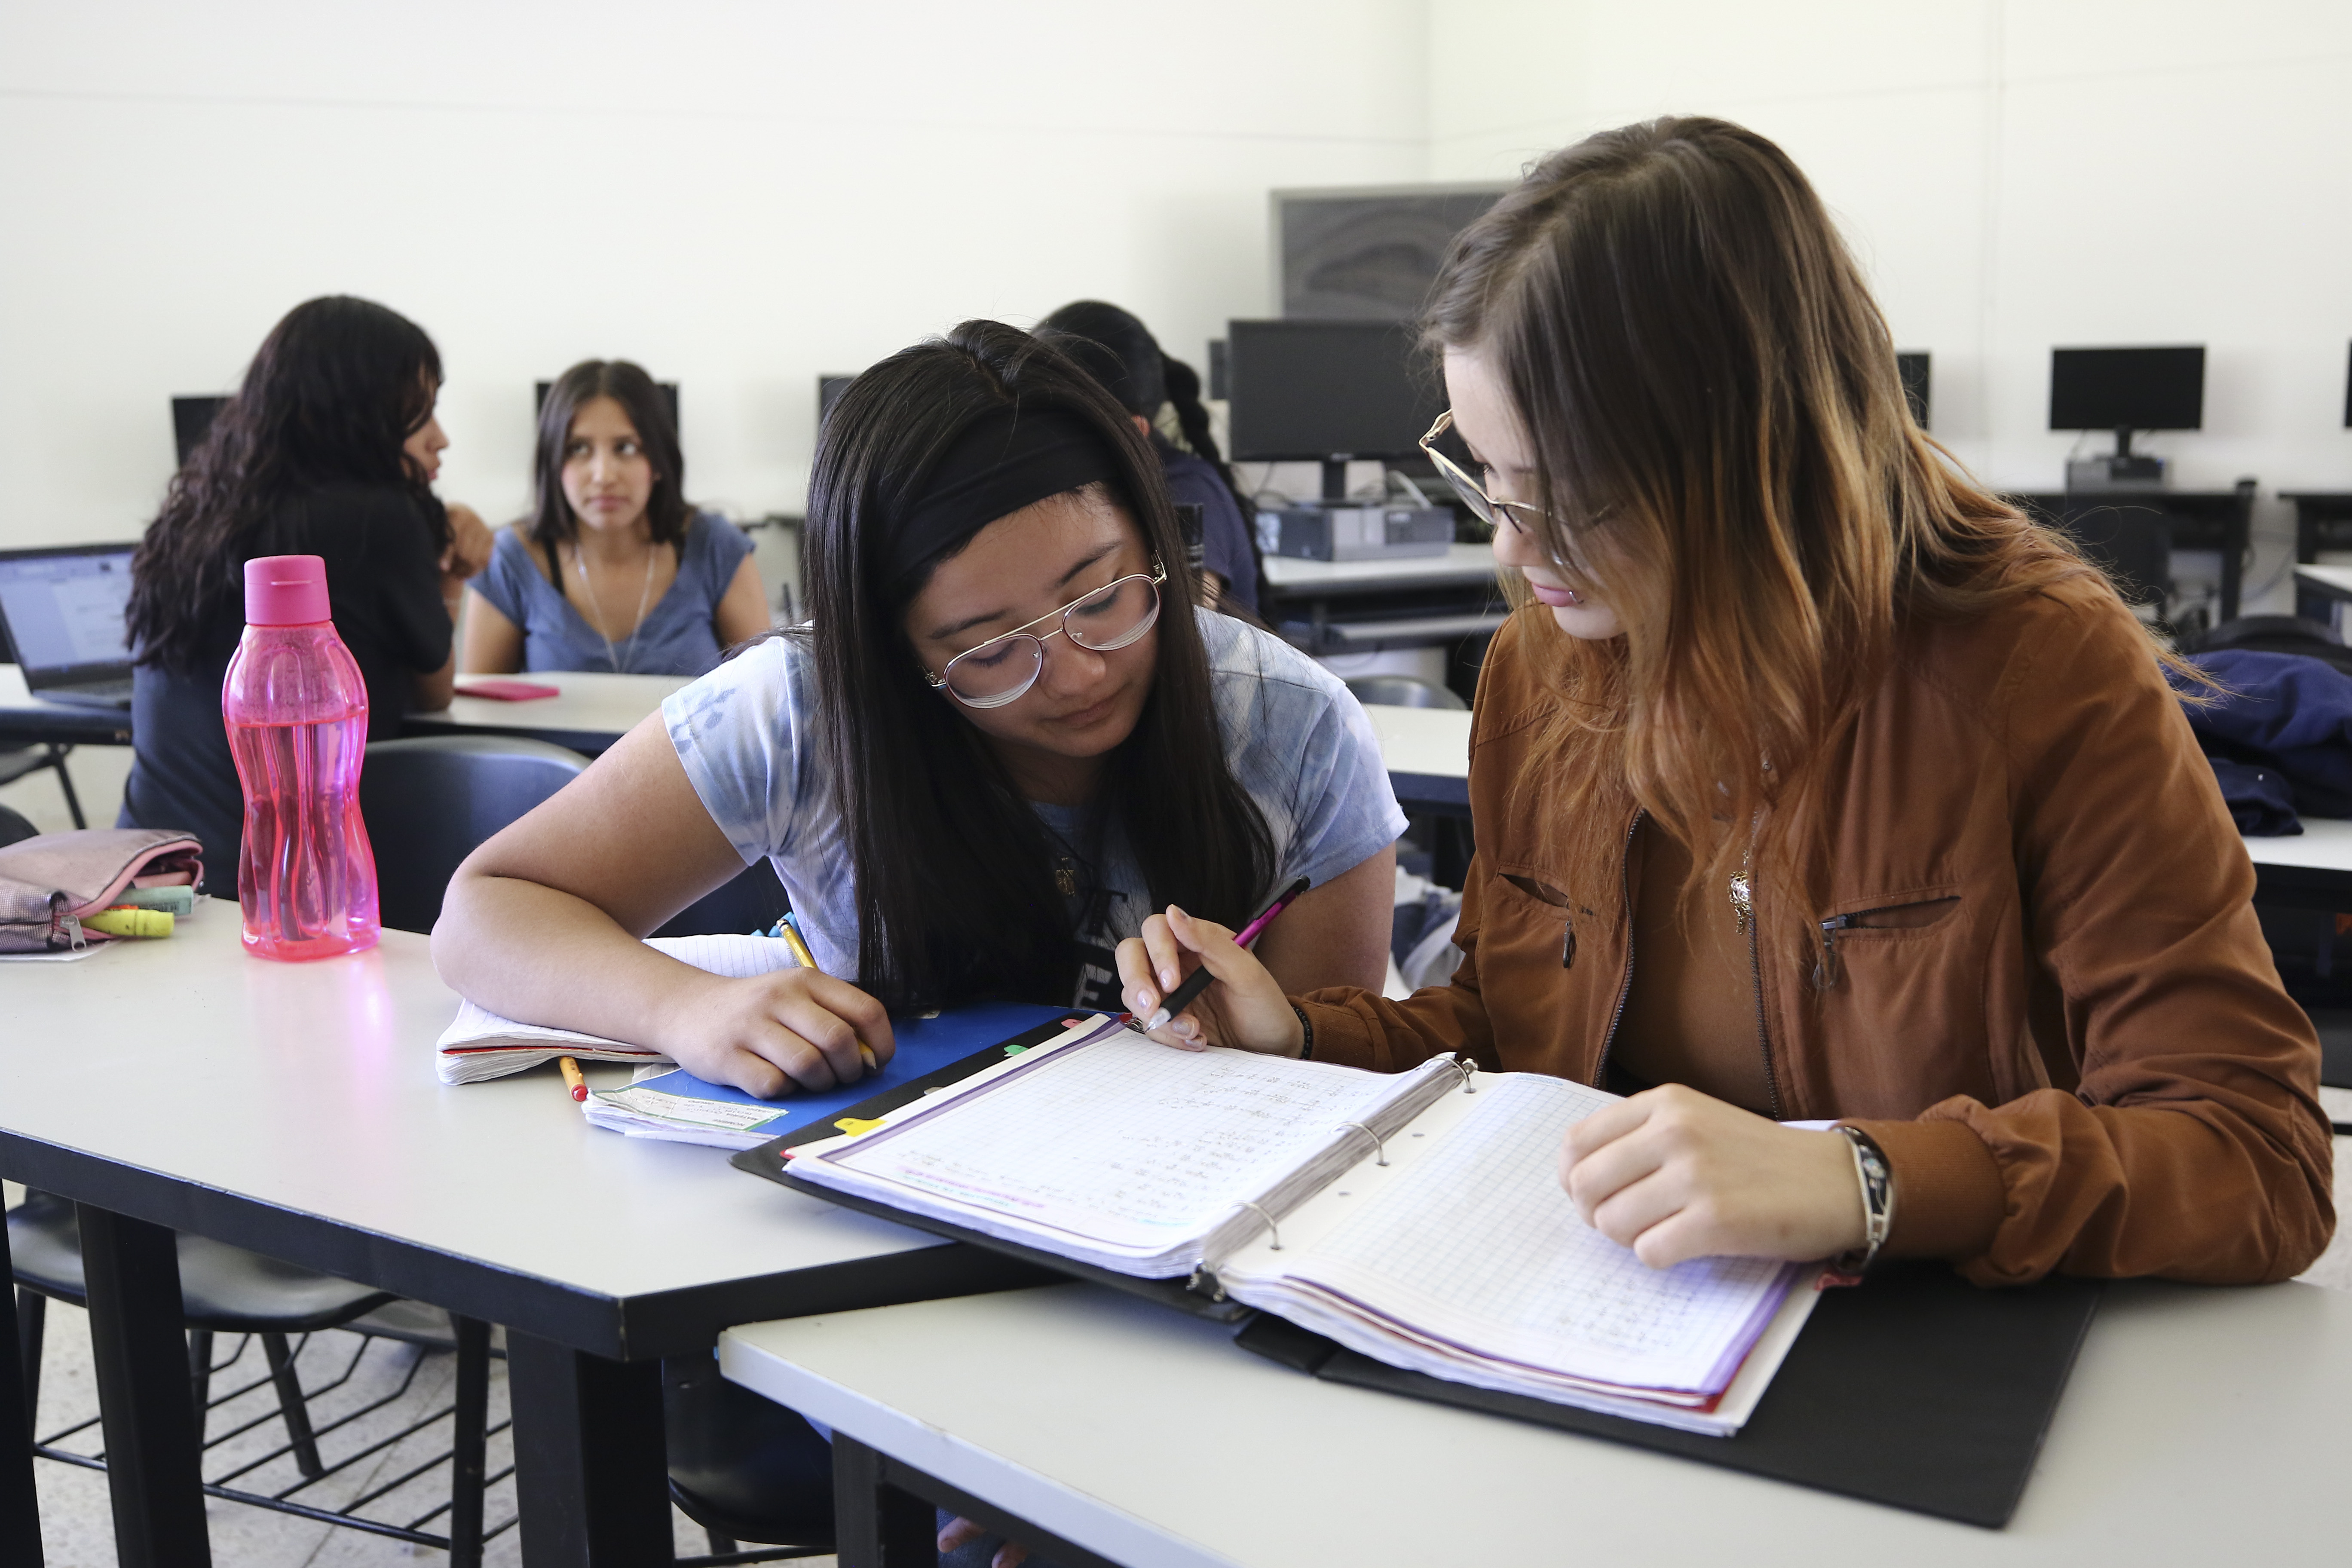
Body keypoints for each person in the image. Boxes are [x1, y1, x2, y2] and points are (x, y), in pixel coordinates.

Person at [1118, 117, 2335, 1287]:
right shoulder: (1541, 670)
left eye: (1564, 494)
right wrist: (1302, 1037)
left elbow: (2255, 1156)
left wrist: (1862, 1180)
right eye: (1485, 475)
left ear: (1758, 454)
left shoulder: (2038, 668)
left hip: (1936, 1362)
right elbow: (1505, 1027)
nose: (1509, 548)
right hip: (1620, 1317)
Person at [432, 319, 1402, 1100]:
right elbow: (486, 913)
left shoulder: (1291, 726)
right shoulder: (803, 708)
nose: (1073, 676)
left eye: (1102, 601)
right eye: (987, 649)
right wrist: (683, 1011)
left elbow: (1332, 1087)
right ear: (889, 653)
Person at [121, 295, 493, 873]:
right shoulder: (382, 515)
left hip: (151, 867)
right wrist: (452, 571)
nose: (438, 438)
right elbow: (435, 691)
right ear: (357, 411)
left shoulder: (192, 515)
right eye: (419, 412)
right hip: (285, 884)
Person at [460, 359, 769, 676]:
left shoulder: (716, 546)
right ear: (553, 462)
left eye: (626, 448)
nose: (603, 475)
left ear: (660, 461)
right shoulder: (510, 558)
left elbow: (765, 697)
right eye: (579, 449)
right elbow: (482, 712)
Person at [1037, 301, 1262, 616]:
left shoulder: (1189, 491)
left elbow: (1190, 630)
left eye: (1054, 419)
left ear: (1131, 429)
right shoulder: (1088, 489)